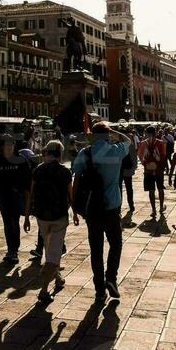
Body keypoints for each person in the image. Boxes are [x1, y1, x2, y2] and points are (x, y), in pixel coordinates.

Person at [72, 122, 130, 301]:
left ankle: (99, 289)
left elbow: (76, 179)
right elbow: (128, 141)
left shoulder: (85, 152)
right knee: (116, 243)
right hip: (112, 206)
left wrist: (75, 206)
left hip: (92, 208)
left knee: (96, 249)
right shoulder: (115, 150)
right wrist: (112, 131)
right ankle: (111, 277)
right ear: (107, 136)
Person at [24, 140, 79, 303]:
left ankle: (58, 278)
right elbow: (71, 196)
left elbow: (31, 195)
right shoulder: (64, 172)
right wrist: (75, 213)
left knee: (50, 249)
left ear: (47, 152)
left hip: (41, 216)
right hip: (59, 216)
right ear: (60, 154)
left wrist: (27, 217)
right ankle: (43, 291)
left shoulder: (38, 170)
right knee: (53, 254)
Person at [0, 135, 32, 264]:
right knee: (8, 222)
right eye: (6, 146)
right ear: (2, 148)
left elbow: (28, 180)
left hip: (17, 197)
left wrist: (29, 196)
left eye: (11, 145)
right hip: (3, 197)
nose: (8, 148)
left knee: (13, 222)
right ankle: (12, 250)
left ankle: (13, 250)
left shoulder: (21, 161)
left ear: (14, 147)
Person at [138, 126, 168, 218]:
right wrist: (163, 167)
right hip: (158, 170)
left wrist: (146, 165)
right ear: (155, 133)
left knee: (151, 190)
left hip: (148, 171)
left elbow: (140, 156)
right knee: (160, 188)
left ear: (146, 133)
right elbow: (163, 156)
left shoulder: (143, 143)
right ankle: (161, 207)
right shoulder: (161, 143)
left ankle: (153, 209)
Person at [120, 131, 139, 213]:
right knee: (128, 188)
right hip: (125, 169)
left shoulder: (118, 145)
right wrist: (134, 166)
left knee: (121, 188)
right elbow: (134, 157)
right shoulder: (130, 145)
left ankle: (124, 205)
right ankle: (130, 205)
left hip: (121, 169)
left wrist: (134, 166)